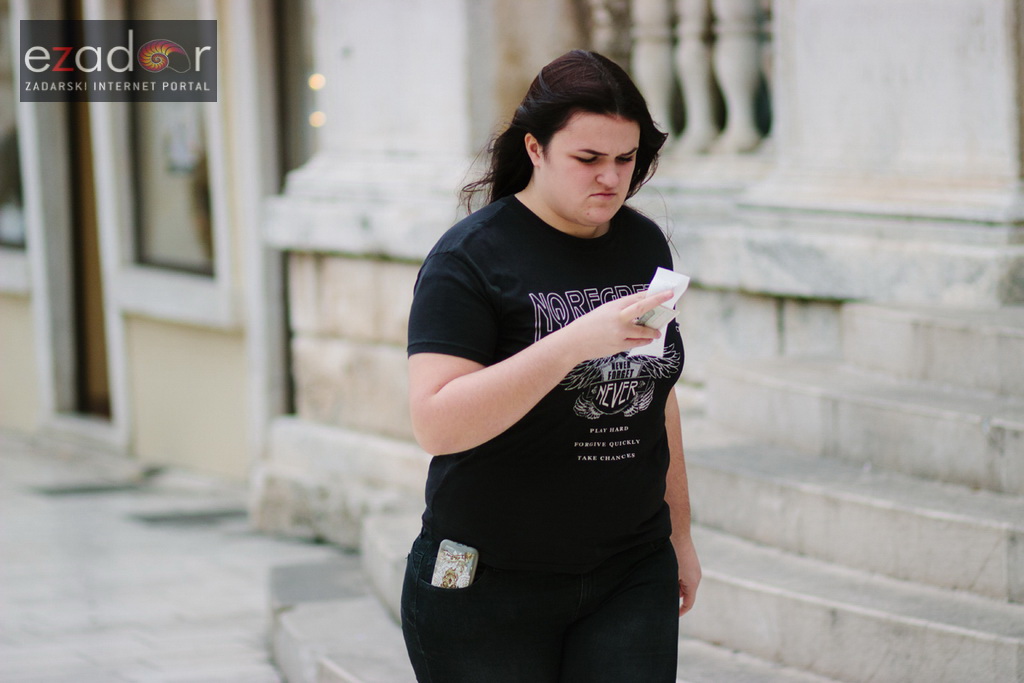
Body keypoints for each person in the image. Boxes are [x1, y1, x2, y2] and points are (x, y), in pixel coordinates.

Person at [401, 49, 701, 683]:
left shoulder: (643, 242)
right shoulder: (469, 259)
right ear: (535, 149)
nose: (611, 180)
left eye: (627, 160)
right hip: (487, 582)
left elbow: (656, 394)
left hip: (630, 569)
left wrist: (681, 532)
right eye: (588, 159)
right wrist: (573, 343)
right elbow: (436, 423)